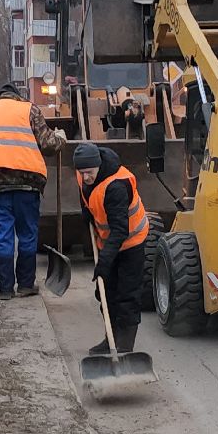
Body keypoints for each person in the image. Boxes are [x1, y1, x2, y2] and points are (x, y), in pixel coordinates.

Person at [0, 83, 60, 299]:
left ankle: (5, 288)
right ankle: (26, 285)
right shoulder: (29, 109)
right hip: (27, 182)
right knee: (27, 233)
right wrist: (61, 140)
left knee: (3, 235)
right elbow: (48, 145)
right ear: (17, 97)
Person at [73, 142, 150, 354]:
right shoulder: (83, 174)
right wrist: (86, 214)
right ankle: (111, 339)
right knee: (106, 292)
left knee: (127, 294)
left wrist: (105, 261)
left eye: (89, 172)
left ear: (98, 166)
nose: (85, 177)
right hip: (109, 240)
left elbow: (120, 230)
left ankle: (124, 346)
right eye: (82, 172)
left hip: (131, 242)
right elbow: (85, 195)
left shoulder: (116, 186)